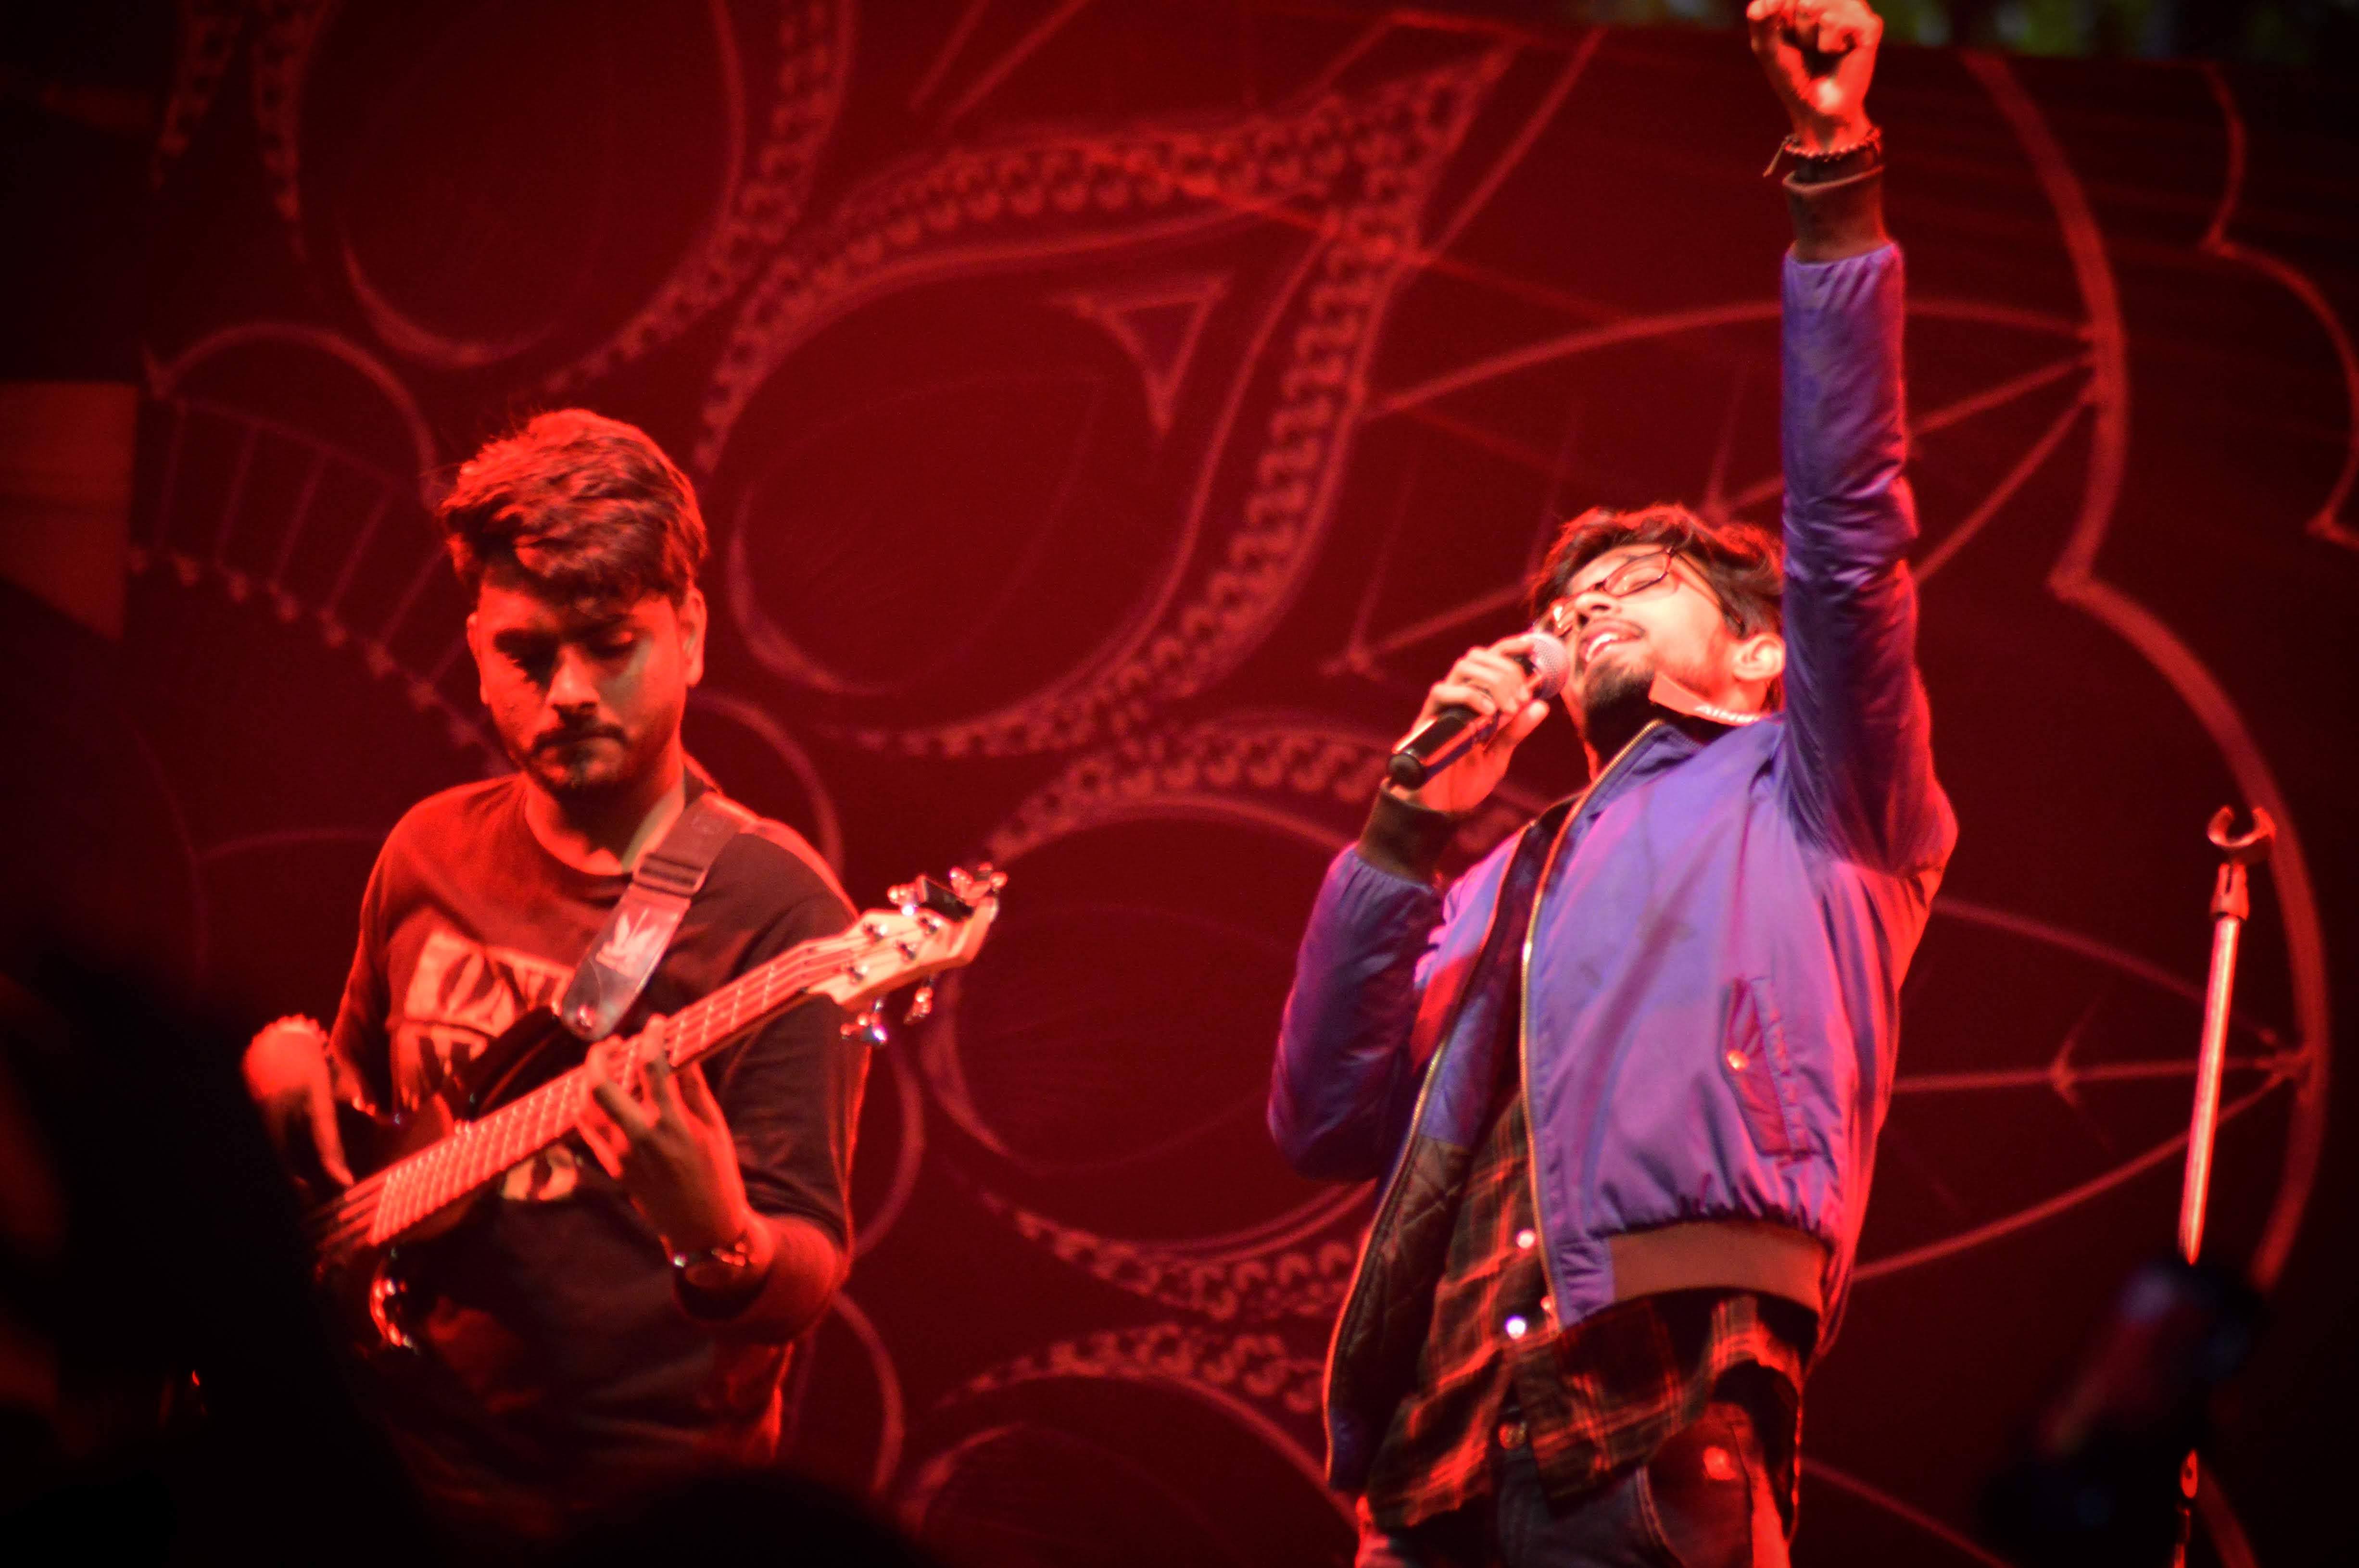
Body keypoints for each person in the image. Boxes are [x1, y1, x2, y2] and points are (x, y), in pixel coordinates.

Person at [1266, 5, 1955, 1564]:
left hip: (1653, 1386)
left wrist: (1832, 181)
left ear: (1761, 651)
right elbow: (1322, 1118)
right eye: (1570, 604)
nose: (1587, 611)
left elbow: (1850, 529)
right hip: (1435, 1440)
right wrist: (1401, 831)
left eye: (1636, 584)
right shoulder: (1504, 883)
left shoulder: (1819, 793)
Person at [240, 409, 862, 1544]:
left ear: (689, 633)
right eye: (527, 656)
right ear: (475, 646)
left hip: (633, 1513)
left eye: (609, 645)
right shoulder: (426, 847)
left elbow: (808, 1262)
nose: (568, 691)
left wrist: (718, 1235)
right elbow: (365, 1122)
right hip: (392, 1468)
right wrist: (284, 1062)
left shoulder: (782, 912)